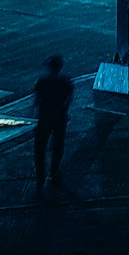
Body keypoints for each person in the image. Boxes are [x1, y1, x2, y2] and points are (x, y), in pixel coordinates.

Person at [33, 54, 74, 190]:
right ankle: (54, 171)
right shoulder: (65, 82)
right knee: (58, 145)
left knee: (40, 146)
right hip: (59, 116)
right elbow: (69, 98)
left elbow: (37, 100)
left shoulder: (42, 82)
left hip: (44, 117)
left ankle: (40, 174)